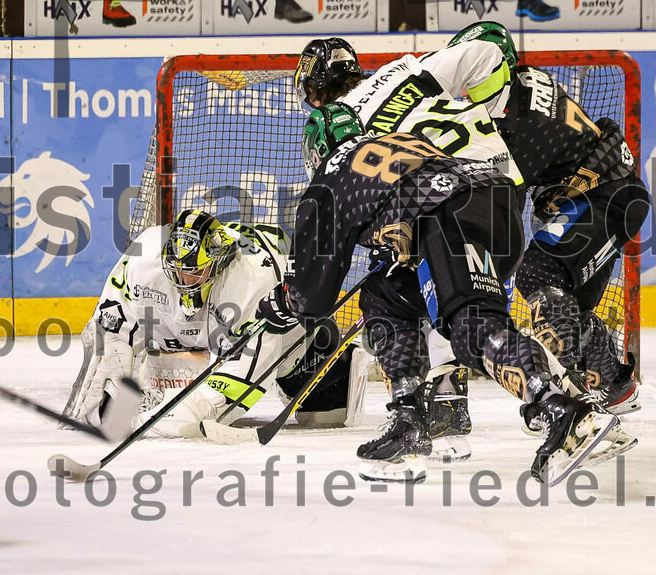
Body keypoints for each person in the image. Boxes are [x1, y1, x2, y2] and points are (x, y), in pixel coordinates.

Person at [265, 102, 632, 484]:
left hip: (449, 217)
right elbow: (412, 192)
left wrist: (277, 303)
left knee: (471, 326)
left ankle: (563, 411)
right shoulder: (394, 140)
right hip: (492, 204)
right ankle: (407, 422)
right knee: (384, 295)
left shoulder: (329, 176)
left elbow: (312, 300)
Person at [443, 21, 648, 415]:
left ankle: (572, 399)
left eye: (473, 73)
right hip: (607, 196)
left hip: (607, 199)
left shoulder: (515, 125)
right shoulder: (519, 88)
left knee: (537, 275)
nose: (465, 87)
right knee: (563, 307)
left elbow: (497, 212)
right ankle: (613, 387)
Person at [62, 208, 367, 438]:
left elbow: (230, 391)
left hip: (271, 328)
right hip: (188, 327)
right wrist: (113, 398)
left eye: (194, 273)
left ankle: (325, 356)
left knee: (324, 410)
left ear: (218, 264)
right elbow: (112, 327)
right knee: (106, 390)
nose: (185, 282)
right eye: (178, 272)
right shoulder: (144, 258)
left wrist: (160, 421)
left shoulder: (250, 282)